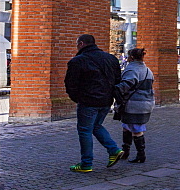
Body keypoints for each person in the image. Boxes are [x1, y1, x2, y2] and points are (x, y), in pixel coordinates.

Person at [64, 34, 124, 172]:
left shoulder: (78, 61)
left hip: (88, 101)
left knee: (85, 130)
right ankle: (113, 150)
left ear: (81, 44)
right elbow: (117, 79)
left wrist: (77, 98)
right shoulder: (111, 58)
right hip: (106, 100)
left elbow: (70, 84)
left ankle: (86, 163)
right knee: (96, 125)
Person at [114, 47, 155, 164]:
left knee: (136, 129)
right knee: (127, 126)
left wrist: (114, 89)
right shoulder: (148, 70)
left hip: (134, 104)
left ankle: (139, 154)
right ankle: (127, 152)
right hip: (146, 103)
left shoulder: (132, 70)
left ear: (131, 57)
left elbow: (125, 86)